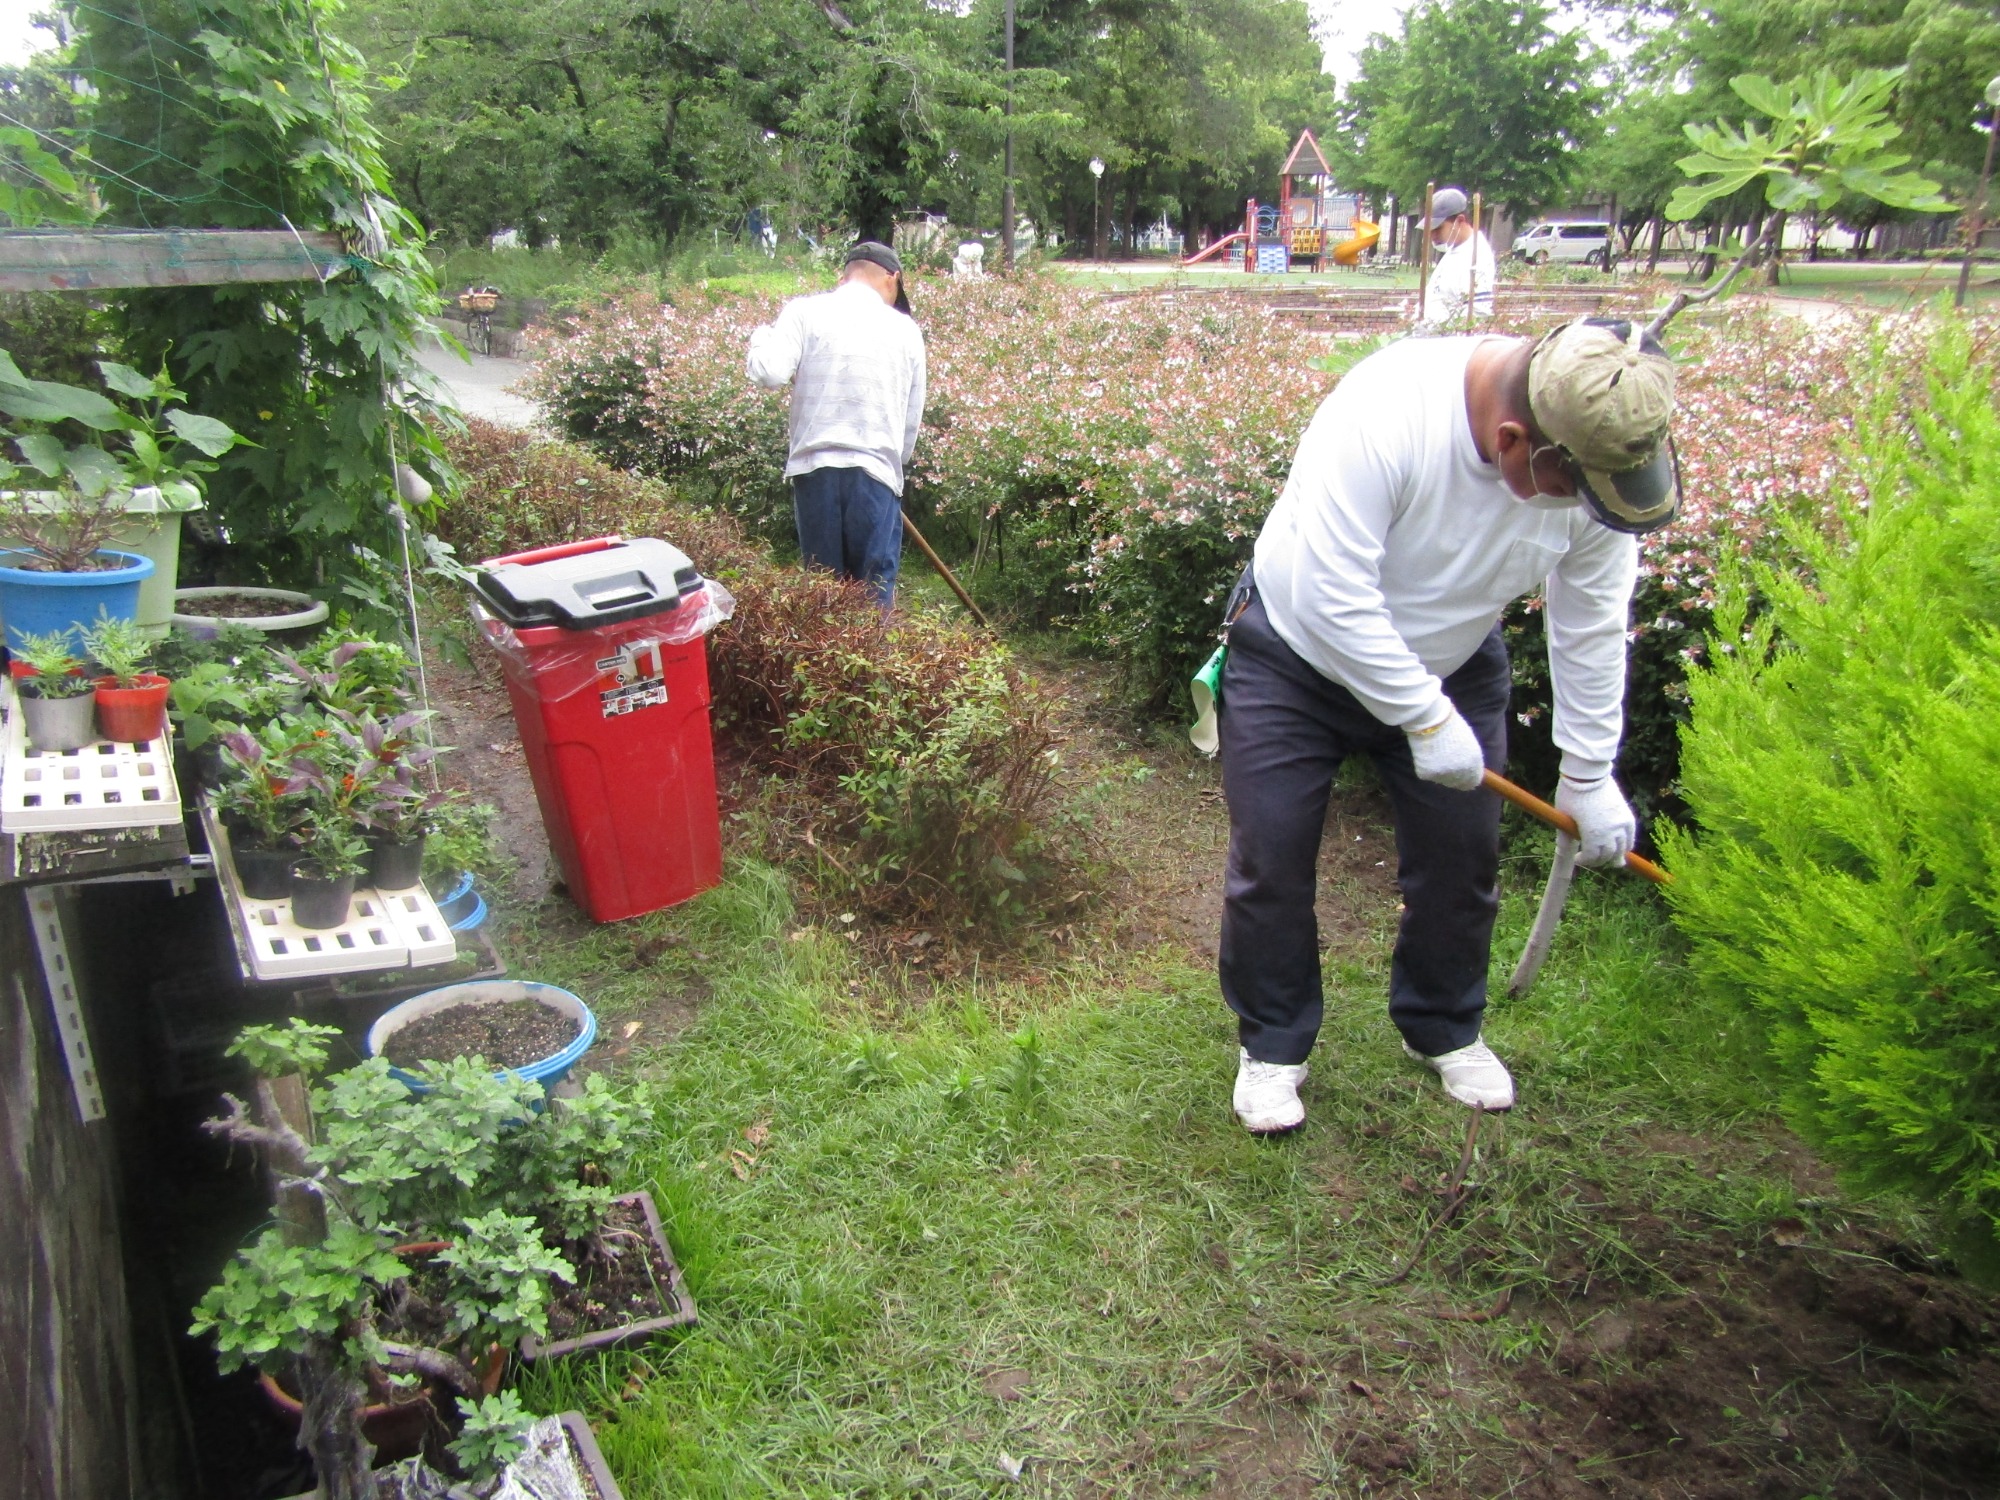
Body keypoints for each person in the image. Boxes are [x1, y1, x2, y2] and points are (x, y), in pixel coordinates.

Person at [1218, 317, 1680, 1133]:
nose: (1579, 509)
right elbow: (1335, 598)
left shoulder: (1593, 453)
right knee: (1274, 855)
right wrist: (1424, 720)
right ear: (1513, 441)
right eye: (1569, 489)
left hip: (1451, 659)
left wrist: (1588, 771)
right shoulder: (1387, 411)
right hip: (1297, 655)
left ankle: (1444, 1025)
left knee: (1462, 861)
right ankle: (1274, 1044)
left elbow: (1592, 622)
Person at [746, 241, 927, 606]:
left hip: (816, 472)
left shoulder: (804, 312)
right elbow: (911, 420)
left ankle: (823, 664)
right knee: (873, 598)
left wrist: (761, 337)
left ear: (843, 276)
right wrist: (893, 470)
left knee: (824, 599)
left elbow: (769, 372)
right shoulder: (906, 330)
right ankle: (875, 662)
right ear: (893, 279)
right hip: (876, 476)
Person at [1419, 186, 1496, 329]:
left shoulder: (1476, 256)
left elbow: (1477, 315)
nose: (1432, 235)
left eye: (1438, 228)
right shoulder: (1454, 249)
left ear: (1460, 220)